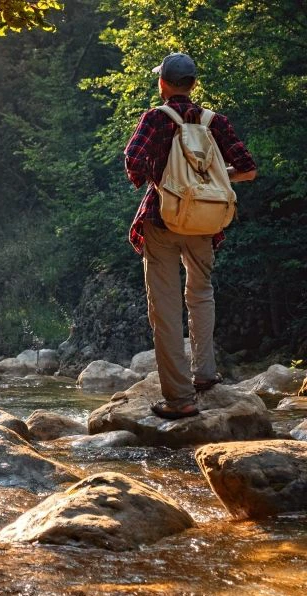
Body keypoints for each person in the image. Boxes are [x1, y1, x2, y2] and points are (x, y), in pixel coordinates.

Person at [124, 52, 257, 419]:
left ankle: (180, 399)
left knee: (165, 309)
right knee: (201, 295)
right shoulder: (216, 122)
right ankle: (206, 376)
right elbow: (247, 170)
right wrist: (209, 179)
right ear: (193, 84)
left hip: (162, 218)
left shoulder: (156, 117)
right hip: (204, 222)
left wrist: (160, 180)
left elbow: (132, 161)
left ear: (162, 83)